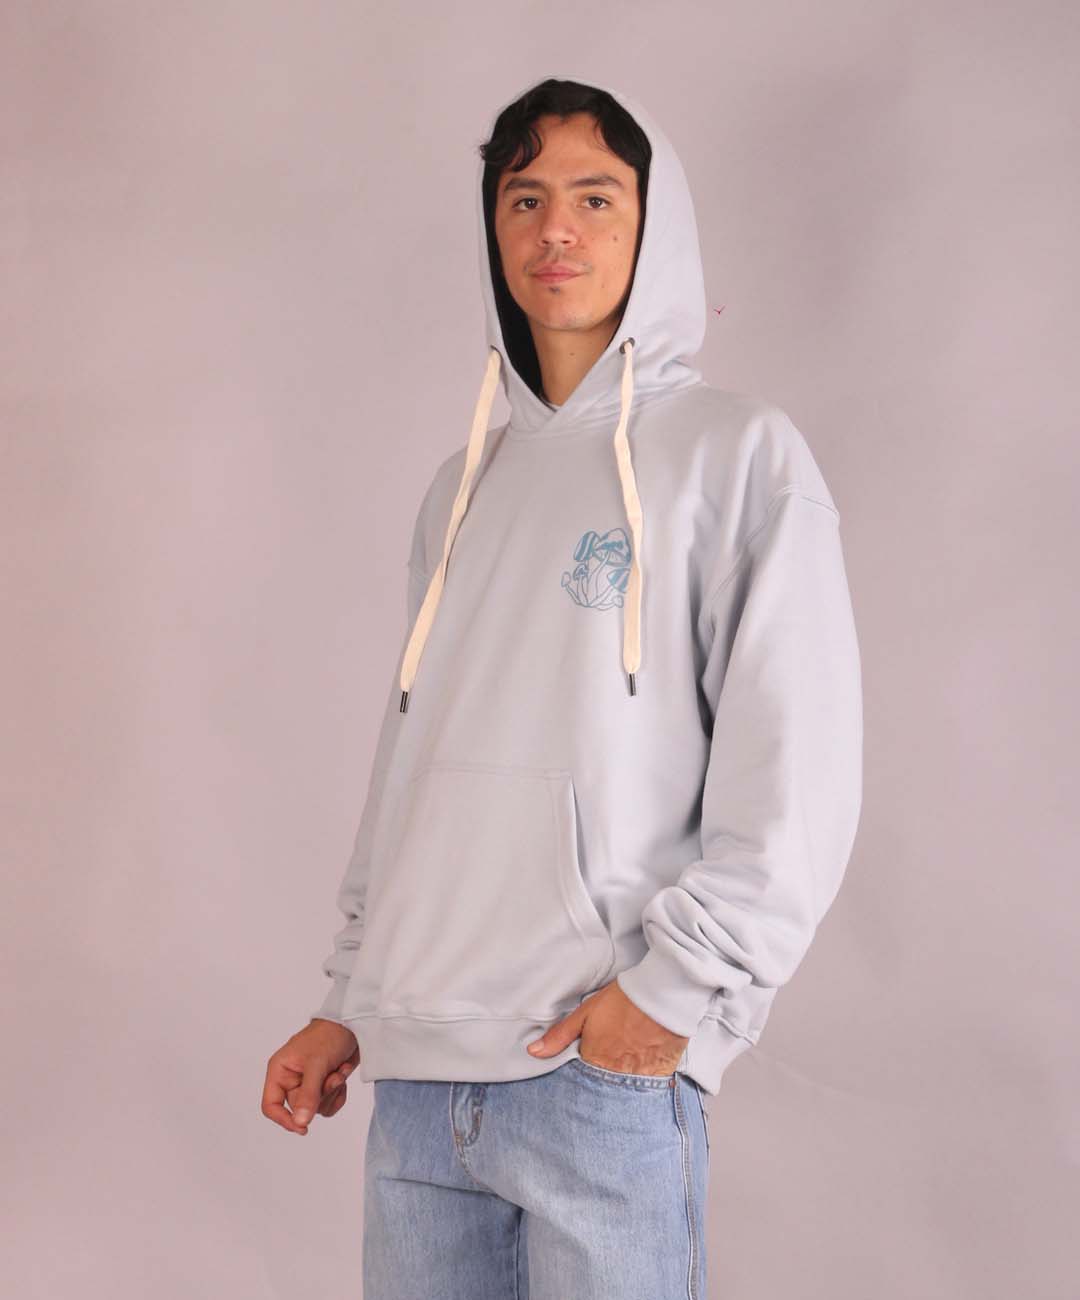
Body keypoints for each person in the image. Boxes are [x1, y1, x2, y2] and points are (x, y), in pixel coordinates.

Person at [262, 76, 863, 1298]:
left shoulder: (738, 455)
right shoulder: (461, 486)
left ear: (656, 225)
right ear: (493, 227)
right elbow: (412, 763)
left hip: (597, 1072)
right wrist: (352, 999)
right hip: (419, 1088)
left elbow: (799, 761)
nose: (556, 230)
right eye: (524, 198)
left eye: (596, 197)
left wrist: (672, 995)